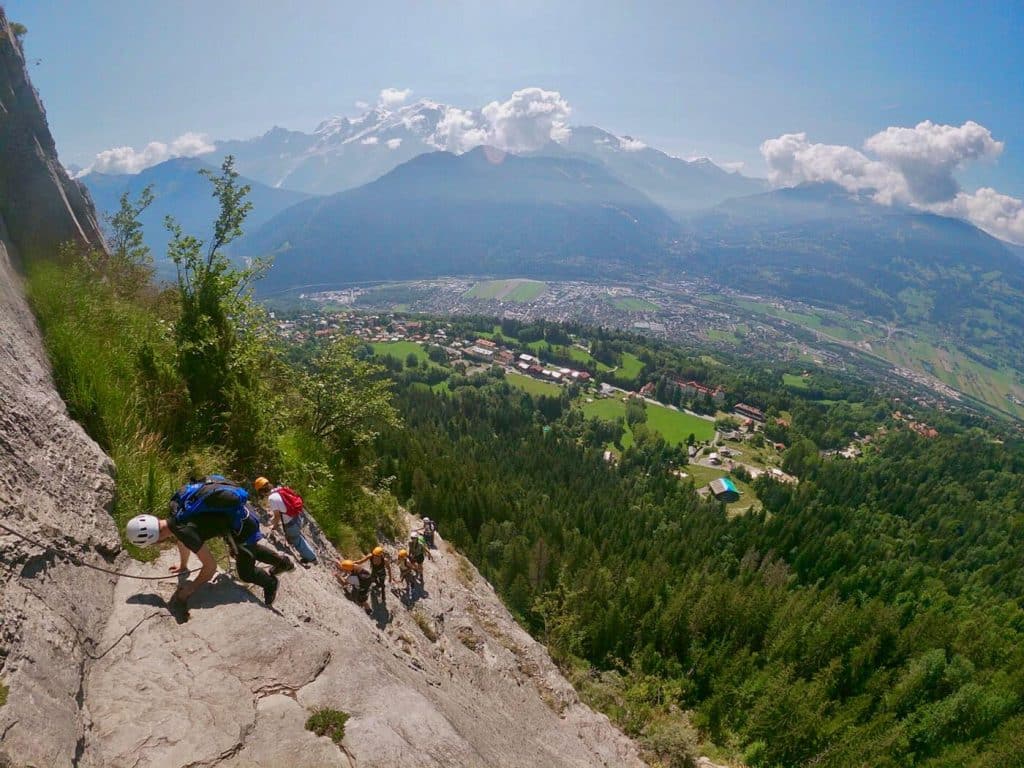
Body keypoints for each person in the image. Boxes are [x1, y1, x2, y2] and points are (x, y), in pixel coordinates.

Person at [125, 476, 294, 609]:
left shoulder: (184, 531)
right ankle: (283, 562)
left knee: (245, 571)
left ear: (154, 541)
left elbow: (210, 567)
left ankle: (271, 583)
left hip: (242, 526)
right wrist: (183, 566)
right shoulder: (175, 508)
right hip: (239, 514)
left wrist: (190, 590)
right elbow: (182, 541)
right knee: (246, 550)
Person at [252, 477, 317, 566]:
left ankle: (311, 558)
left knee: (297, 541)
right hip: (297, 517)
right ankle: (311, 554)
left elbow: (277, 516)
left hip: (290, 524)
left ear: (262, 491)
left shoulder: (272, 498)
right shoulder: (279, 490)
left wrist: (273, 526)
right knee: (299, 538)